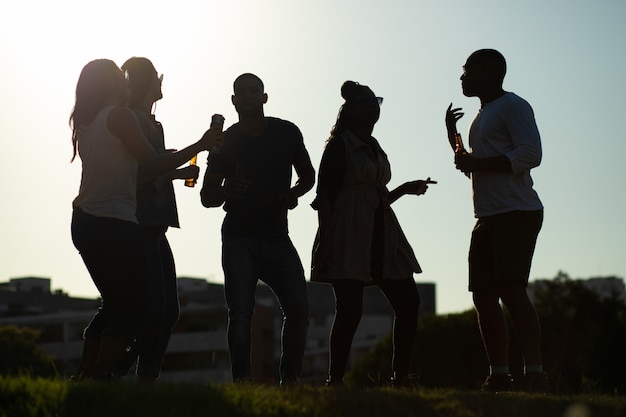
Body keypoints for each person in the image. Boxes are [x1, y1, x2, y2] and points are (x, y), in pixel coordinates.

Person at [69, 59, 222, 380]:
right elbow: (150, 164)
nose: (125, 81)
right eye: (118, 76)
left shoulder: (88, 121)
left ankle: (85, 378)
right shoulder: (122, 116)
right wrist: (201, 145)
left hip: (84, 221)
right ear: (111, 83)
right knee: (134, 306)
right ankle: (99, 378)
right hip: (115, 223)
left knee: (114, 302)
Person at [311, 80, 435, 387]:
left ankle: (401, 375)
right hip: (348, 232)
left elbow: (373, 196)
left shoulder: (374, 145)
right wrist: (325, 242)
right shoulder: (339, 145)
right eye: (368, 102)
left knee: (408, 300)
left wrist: (404, 190)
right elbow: (324, 197)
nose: (374, 106)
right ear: (351, 110)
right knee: (350, 309)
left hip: (381, 229)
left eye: (376, 100)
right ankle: (335, 379)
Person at [200, 73, 315, 385]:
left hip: (278, 236)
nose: (249, 96)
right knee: (240, 315)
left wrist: (294, 194)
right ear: (234, 101)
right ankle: (243, 383)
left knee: (299, 311)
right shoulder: (226, 142)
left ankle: (290, 381)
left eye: (255, 91)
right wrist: (226, 190)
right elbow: (206, 196)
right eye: (243, 92)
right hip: (239, 237)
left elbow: (308, 176)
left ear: (265, 98)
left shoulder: (287, 132)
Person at [445, 49, 546, 393]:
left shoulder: (513, 106)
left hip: (516, 212)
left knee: (511, 289)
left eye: (467, 70)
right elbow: (473, 165)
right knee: (484, 295)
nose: (462, 77)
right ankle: (499, 374)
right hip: (487, 216)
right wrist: (453, 137)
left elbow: (531, 153)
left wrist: (478, 165)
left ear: (490, 71)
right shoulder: (482, 115)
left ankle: (534, 373)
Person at [113, 57, 199, 382]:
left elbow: (153, 169)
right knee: (155, 309)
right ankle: (138, 372)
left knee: (169, 311)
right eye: (156, 78)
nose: (161, 83)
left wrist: (175, 171)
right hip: (140, 225)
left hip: (156, 225)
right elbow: (141, 174)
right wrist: (178, 167)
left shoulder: (154, 125)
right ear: (147, 82)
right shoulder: (133, 120)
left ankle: (136, 367)